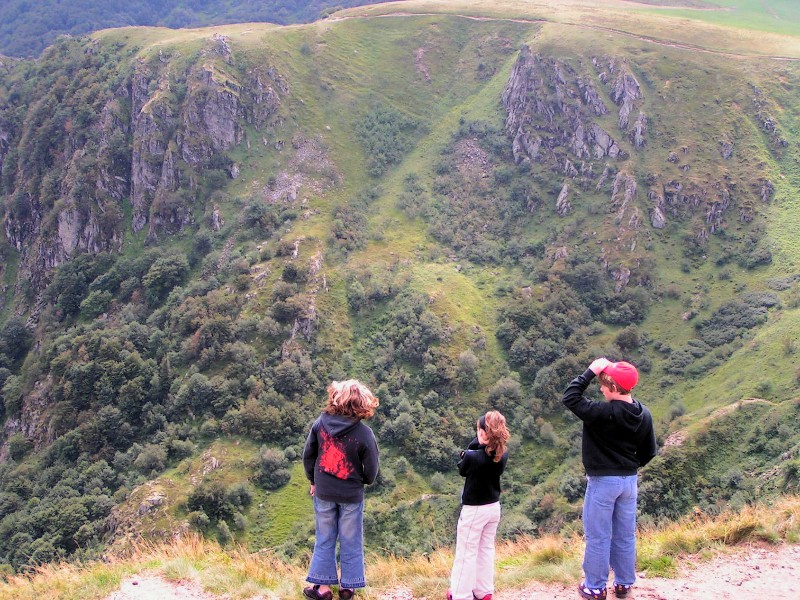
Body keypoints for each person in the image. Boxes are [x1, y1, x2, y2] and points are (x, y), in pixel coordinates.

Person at [562, 358, 658, 600]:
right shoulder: (644, 413)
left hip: (603, 482)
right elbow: (649, 452)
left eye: (604, 385)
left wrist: (591, 371)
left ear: (614, 388)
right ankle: (624, 583)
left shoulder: (602, 413)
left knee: (598, 535)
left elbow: (570, 397)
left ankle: (595, 586)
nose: (601, 389)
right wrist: (630, 466)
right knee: (625, 534)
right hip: (629, 482)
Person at [302, 379, 380, 600]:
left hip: (324, 492)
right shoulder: (364, 434)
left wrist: (313, 480)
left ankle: (323, 589)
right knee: (351, 539)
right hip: (351, 495)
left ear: (335, 399)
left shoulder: (320, 424)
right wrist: (361, 480)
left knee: (325, 537)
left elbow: (308, 455)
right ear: (362, 404)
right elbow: (372, 470)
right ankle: (348, 587)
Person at [448, 410, 510, 600]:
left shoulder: (472, 457)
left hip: (474, 509)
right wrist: (481, 441)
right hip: (493, 507)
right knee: (485, 549)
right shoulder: (503, 453)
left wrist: (474, 445)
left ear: (483, 433)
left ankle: (460, 594)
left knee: (466, 551)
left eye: (479, 430)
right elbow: (478, 452)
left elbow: (462, 467)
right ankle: (484, 591)